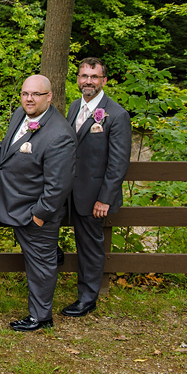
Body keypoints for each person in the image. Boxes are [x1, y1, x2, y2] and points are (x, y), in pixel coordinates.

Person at [0, 75, 76, 331]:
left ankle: (40, 316)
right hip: (5, 193)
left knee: (40, 264)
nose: (29, 99)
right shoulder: (20, 114)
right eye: (25, 93)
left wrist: (40, 214)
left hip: (32, 206)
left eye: (36, 94)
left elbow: (58, 185)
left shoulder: (60, 136)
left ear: (49, 97)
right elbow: (7, 145)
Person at [62, 58, 131, 317]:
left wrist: (105, 198)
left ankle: (87, 298)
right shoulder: (73, 108)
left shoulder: (117, 114)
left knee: (89, 247)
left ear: (104, 80)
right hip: (66, 191)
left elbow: (118, 163)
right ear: (78, 79)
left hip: (93, 197)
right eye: (84, 76)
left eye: (94, 76)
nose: (88, 81)